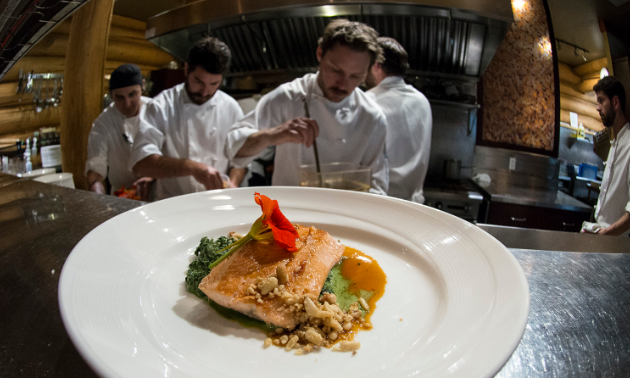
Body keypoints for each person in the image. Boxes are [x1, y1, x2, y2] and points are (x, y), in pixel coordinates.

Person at [226, 19, 389, 194]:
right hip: (287, 214)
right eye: (336, 71)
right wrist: (273, 135)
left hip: (342, 216)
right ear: (320, 54)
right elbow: (234, 149)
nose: (343, 84)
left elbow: (378, 187)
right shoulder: (288, 97)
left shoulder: (371, 116)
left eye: (356, 76)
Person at [130, 37, 245, 200]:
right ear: (186, 70)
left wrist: (233, 183)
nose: (205, 92)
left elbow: (240, 159)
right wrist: (193, 168)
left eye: (214, 83)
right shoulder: (161, 106)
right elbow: (141, 163)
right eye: (198, 81)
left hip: (216, 204)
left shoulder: (231, 108)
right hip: (172, 204)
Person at [365, 37, 432, 203]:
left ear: (376, 66)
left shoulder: (368, 101)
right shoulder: (422, 100)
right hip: (416, 204)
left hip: (382, 205)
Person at [85, 63, 153, 199]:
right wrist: (99, 200)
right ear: (111, 95)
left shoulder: (156, 111)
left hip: (158, 191)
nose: (127, 103)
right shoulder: (103, 123)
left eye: (132, 94)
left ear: (143, 86)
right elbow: (95, 172)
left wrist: (151, 177)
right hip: (124, 197)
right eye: (119, 97)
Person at [585, 76, 630, 235]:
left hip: (616, 243)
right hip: (601, 235)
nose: (598, 108)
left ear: (615, 102)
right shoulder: (615, 142)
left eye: (601, 100)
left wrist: (606, 234)